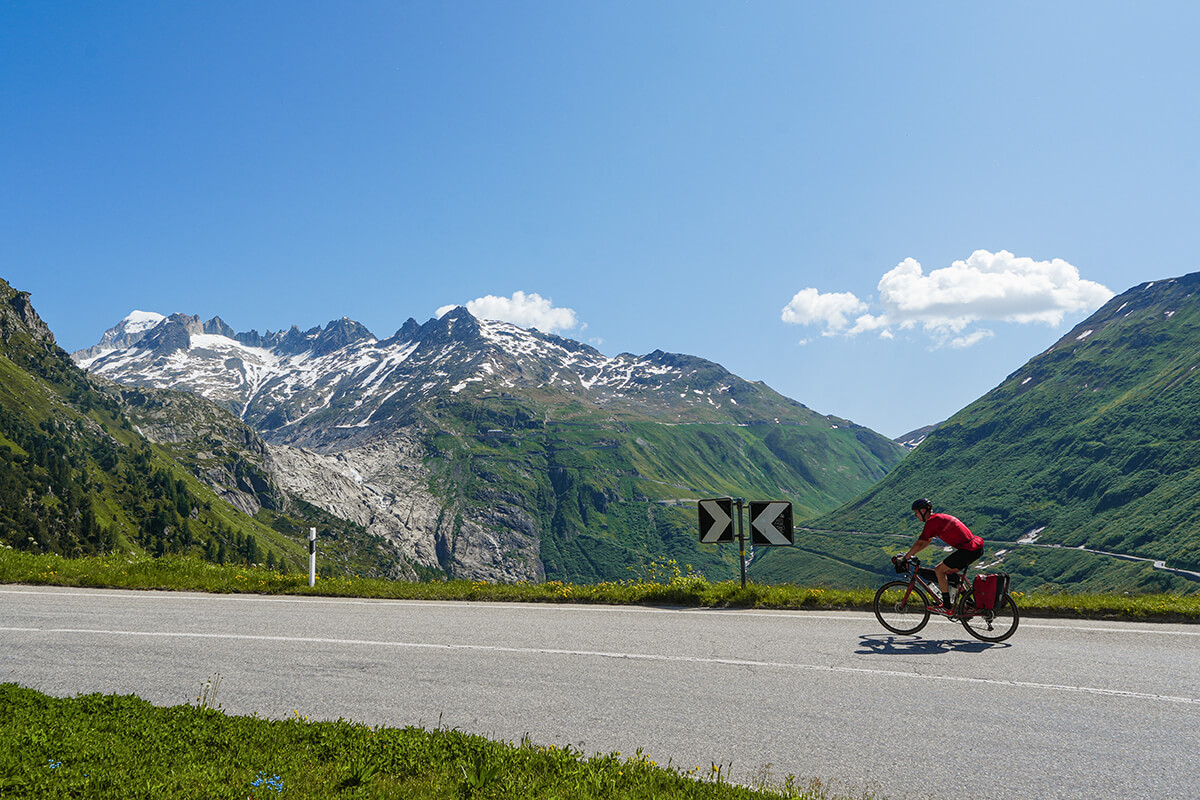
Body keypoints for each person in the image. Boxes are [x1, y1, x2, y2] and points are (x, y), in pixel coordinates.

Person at [900, 498, 984, 613]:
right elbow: (927, 541)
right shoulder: (937, 519)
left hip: (968, 550)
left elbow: (921, 542)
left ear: (923, 510)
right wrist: (911, 554)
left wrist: (906, 557)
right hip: (974, 548)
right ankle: (969, 603)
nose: (915, 515)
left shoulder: (932, 521)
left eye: (916, 512)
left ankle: (947, 606)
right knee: (951, 574)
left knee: (939, 570)